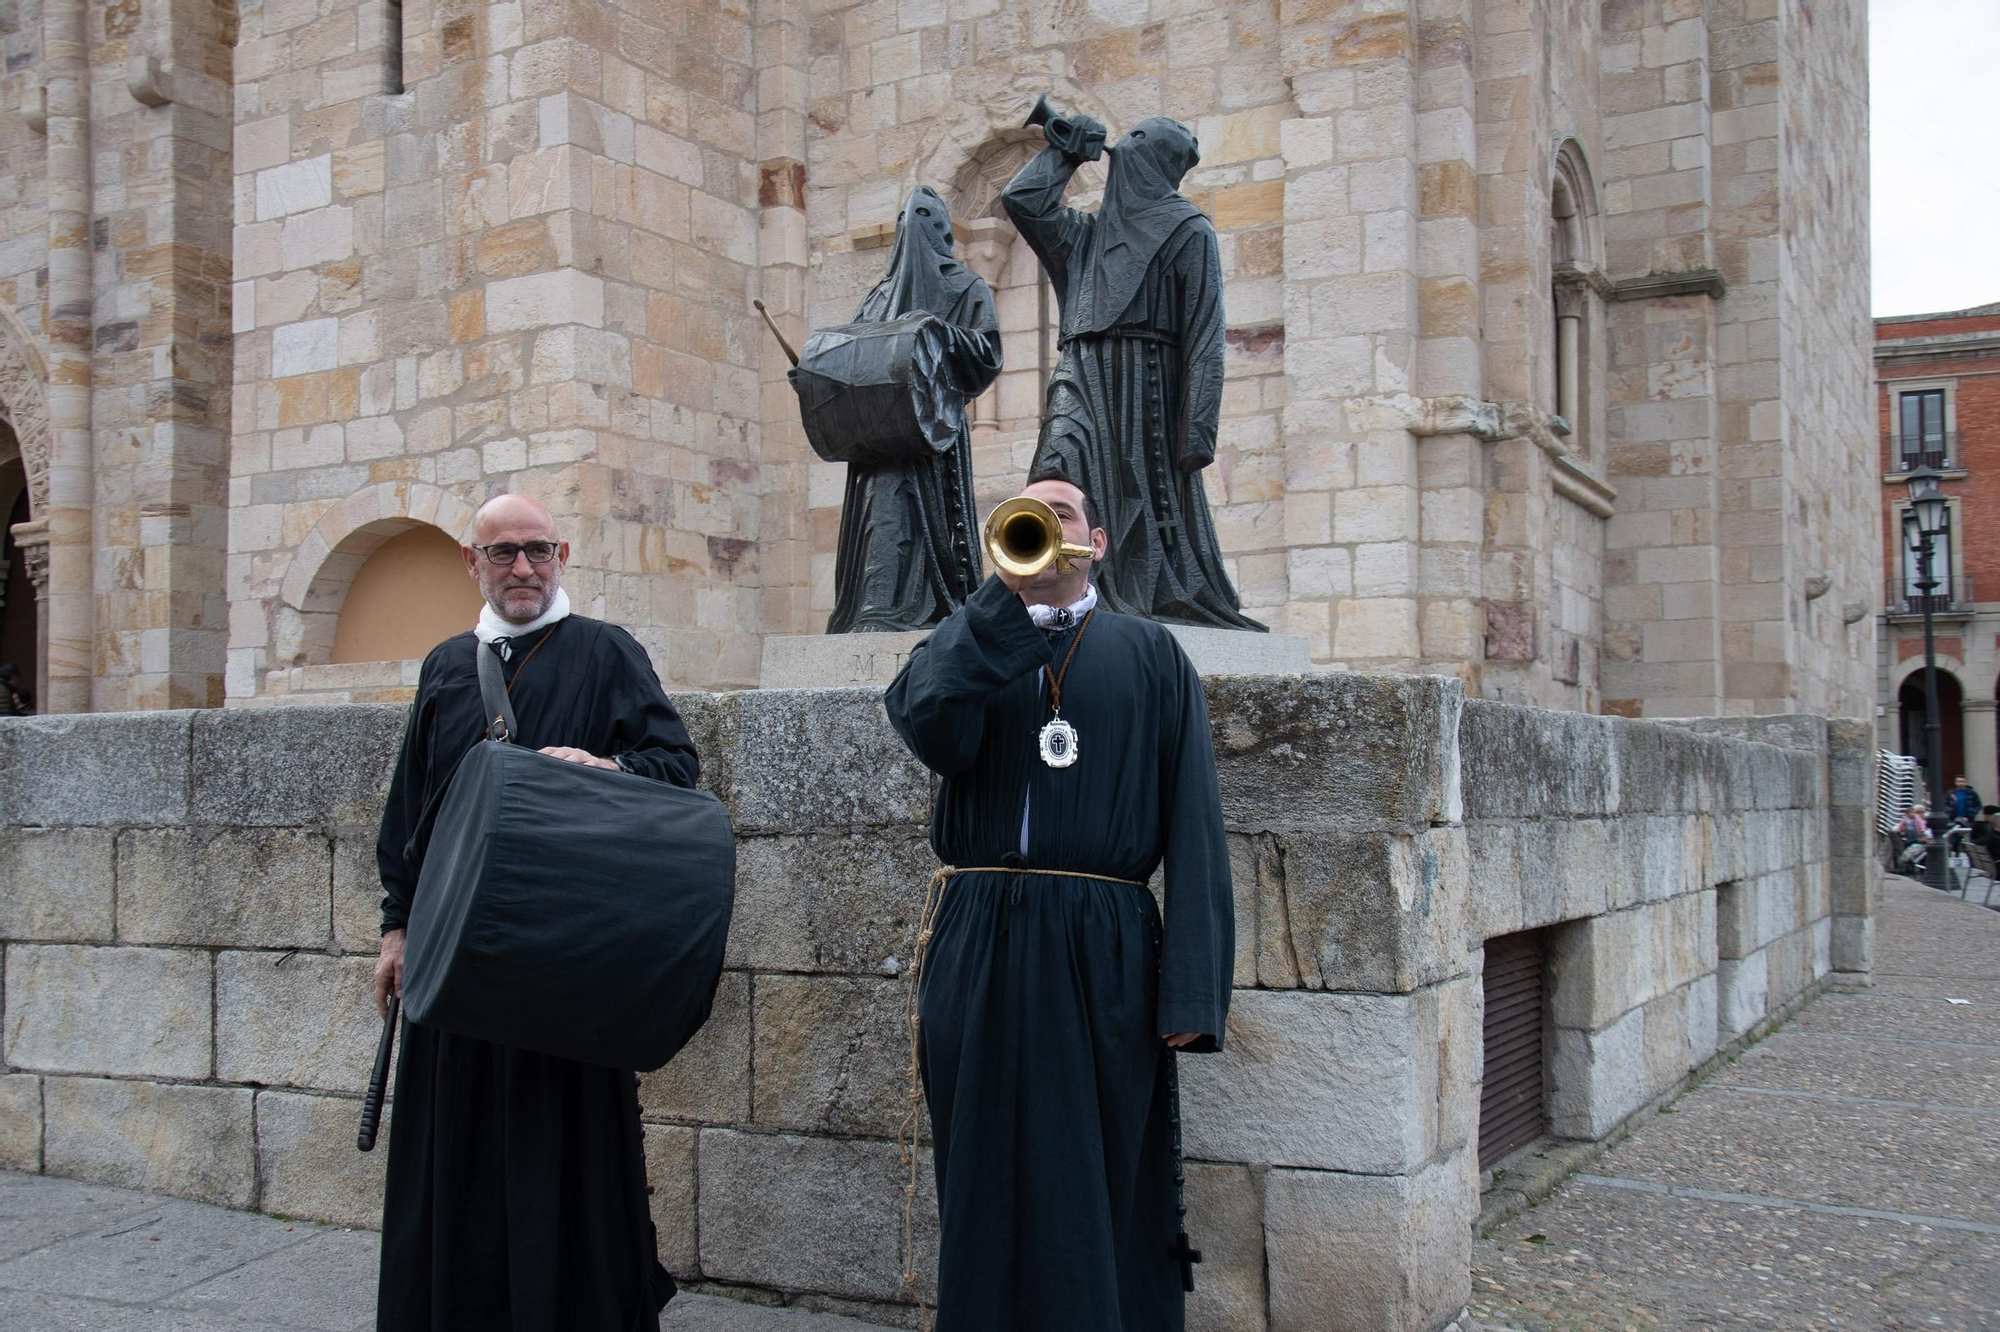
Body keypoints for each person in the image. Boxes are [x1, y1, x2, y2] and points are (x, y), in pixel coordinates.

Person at [884, 472, 1234, 1331]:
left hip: (1103, 938)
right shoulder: (967, 641)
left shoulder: (1151, 652)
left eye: (1062, 514)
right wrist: (997, 608)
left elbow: (1195, 818)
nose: (1042, 526)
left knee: (1102, 1155)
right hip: (980, 931)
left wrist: (1192, 986)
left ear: (1097, 542)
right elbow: (927, 725)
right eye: (1025, 518)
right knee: (981, 1157)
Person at [372, 493, 700, 1332]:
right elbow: (411, 812)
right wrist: (396, 927)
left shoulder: (607, 653)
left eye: (538, 551)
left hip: (563, 965)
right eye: (503, 553)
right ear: (471, 563)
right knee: (459, 1147)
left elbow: (675, 767)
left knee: (567, 1149)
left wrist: (605, 766)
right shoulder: (447, 666)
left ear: (562, 555)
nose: (523, 568)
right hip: (454, 956)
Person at [1003, 103, 1263, 631]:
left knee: (1139, 496)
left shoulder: (1189, 230)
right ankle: (1049, 591)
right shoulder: (1082, 236)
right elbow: (1022, 201)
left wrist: (1197, 428)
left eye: (1136, 145)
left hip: (1147, 386)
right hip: (1079, 376)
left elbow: (1204, 332)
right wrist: (1065, 152)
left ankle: (1132, 599)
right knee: (1057, 475)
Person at [826, 186, 1003, 633]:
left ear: (944, 230)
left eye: (927, 217)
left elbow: (988, 352)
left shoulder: (967, 286)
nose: (917, 227)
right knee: (878, 515)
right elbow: (853, 360)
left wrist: (936, 335)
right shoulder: (877, 297)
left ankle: (901, 611)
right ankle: (873, 607)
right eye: (909, 218)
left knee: (912, 514)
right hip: (878, 437)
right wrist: (814, 374)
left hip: (932, 433)